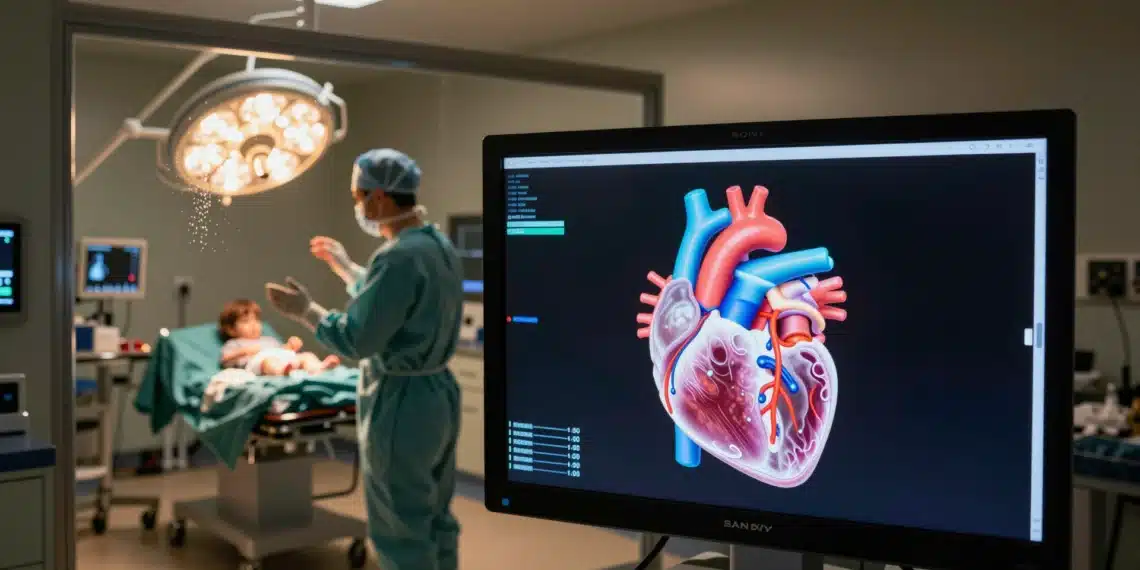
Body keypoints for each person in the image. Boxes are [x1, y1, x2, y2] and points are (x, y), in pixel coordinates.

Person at [264, 148, 464, 570]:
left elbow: (359, 338)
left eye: (358, 197)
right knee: (435, 517)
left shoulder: (396, 257)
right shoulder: (437, 246)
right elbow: (398, 302)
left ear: (379, 197)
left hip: (402, 406)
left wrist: (307, 311)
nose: (358, 207)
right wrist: (347, 269)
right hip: (439, 396)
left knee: (401, 527)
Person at [217, 299, 340, 376]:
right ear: (231, 330)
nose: (253, 325)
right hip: (258, 364)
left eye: (256, 320)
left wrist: (291, 346)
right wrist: (244, 351)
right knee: (269, 362)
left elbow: (281, 351)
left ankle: (319, 368)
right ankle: (281, 372)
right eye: (245, 321)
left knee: (307, 355)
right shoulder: (235, 343)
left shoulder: (268, 340)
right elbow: (224, 360)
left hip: (282, 360)